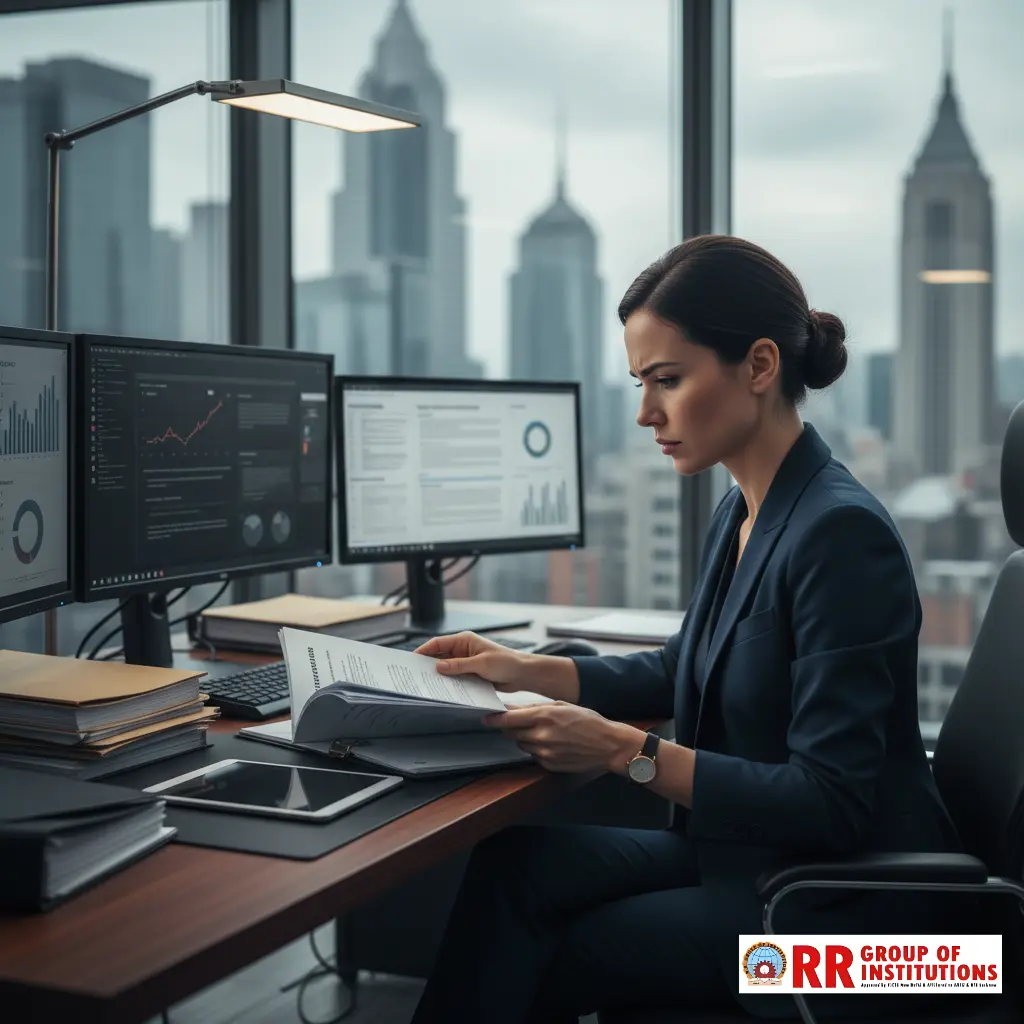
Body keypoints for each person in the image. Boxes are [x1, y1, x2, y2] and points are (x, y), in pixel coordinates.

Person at [409, 235, 966, 1023]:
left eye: (667, 380)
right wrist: (524, 669)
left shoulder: (842, 535)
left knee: (575, 947)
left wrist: (618, 751)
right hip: (757, 863)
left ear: (760, 367)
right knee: (513, 867)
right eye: (641, 383)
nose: (645, 413)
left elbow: (830, 802)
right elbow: (687, 666)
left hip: (869, 931)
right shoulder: (745, 507)